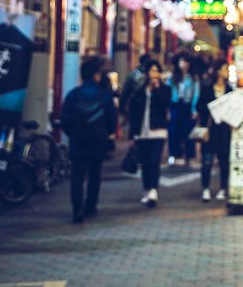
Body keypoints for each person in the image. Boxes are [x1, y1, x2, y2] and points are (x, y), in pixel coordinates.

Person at [60, 54, 117, 225]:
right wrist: (106, 134)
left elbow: (65, 120)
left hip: (78, 142)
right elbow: (112, 119)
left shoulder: (73, 95)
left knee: (77, 175)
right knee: (94, 174)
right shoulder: (104, 95)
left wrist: (73, 134)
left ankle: (77, 210)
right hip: (98, 141)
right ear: (96, 75)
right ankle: (91, 206)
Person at [124, 57, 172, 207]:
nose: (155, 74)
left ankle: (153, 189)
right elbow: (133, 111)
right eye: (152, 70)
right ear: (147, 73)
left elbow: (165, 104)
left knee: (154, 160)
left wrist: (156, 90)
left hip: (158, 130)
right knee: (144, 162)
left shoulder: (164, 89)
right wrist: (133, 132)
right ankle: (146, 189)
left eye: (157, 71)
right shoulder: (139, 90)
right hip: (142, 130)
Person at [196, 57, 232, 202]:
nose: (227, 72)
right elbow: (200, 107)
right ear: (218, 71)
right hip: (210, 129)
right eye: (225, 69)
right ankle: (205, 189)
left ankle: (223, 189)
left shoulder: (229, 90)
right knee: (207, 160)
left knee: (224, 161)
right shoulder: (207, 89)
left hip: (224, 129)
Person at [167, 53, 199, 167]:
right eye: (181, 61)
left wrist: (194, 109)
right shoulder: (172, 77)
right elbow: (167, 92)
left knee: (188, 132)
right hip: (175, 105)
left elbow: (196, 94)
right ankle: (174, 154)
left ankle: (190, 156)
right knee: (173, 131)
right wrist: (167, 109)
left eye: (186, 62)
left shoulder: (193, 78)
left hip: (187, 105)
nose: (184, 64)